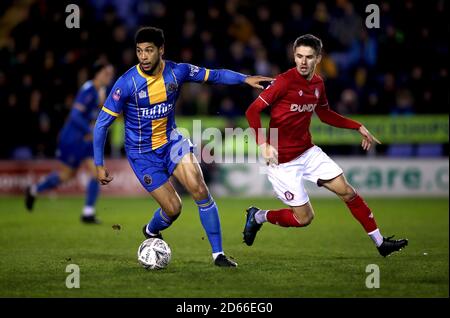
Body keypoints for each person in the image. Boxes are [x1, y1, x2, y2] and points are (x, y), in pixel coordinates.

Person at [93, 27, 272, 267]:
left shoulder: (178, 72)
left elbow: (214, 75)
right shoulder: (127, 83)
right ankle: (150, 230)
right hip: (142, 154)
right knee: (173, 208)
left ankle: (218, 254)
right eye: (139, 51)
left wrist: (244, 79)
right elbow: (102, 124)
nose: (143, 56)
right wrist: (98, 164)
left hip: (172, 142)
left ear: (161, 50)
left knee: (199, 189)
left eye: (148, 50)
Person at [243, 34, 408, 257]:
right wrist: (263, 143)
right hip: (281, 161)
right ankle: (258, 216)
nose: (303, 61)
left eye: (309, 57)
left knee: (348, 192)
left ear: (318, 58)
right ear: (294, 56)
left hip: (308, 152)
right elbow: (252, 111)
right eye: (299, 56)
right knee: (304, 219)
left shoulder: (319, 83)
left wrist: (357, 126)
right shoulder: (283, 82)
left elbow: (325, 114)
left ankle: (381, 244)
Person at [25, 62, 115, 224]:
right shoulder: (88, 90)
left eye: (111, 74)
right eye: (107, 73)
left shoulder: (101, 92)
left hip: (86, 141)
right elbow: (75, 115)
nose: (109, 77)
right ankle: (34, 190)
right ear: (98, 74)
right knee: (66, 175)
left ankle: (88, 212)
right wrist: (90, 130)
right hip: (73, 139)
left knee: (97, 173)